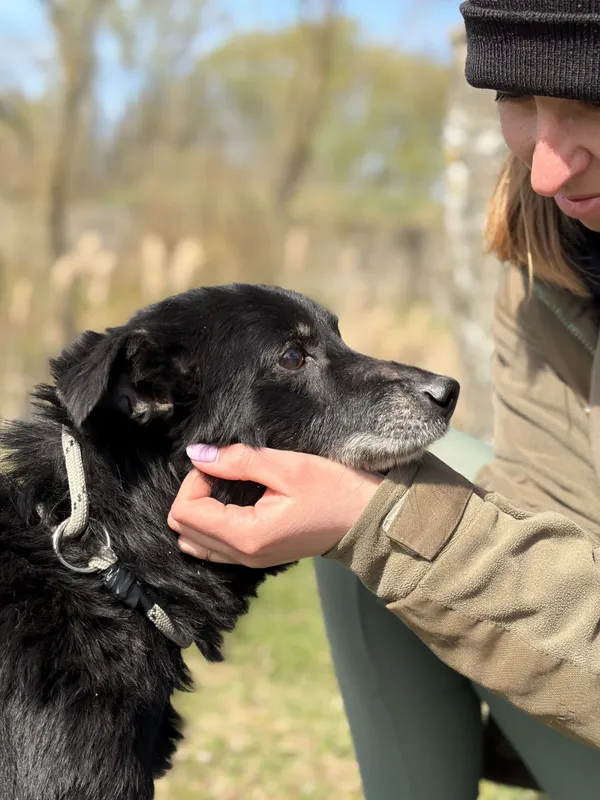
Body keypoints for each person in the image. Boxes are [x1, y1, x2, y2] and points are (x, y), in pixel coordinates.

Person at [167, 1, 600, 796]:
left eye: (591, 105)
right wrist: (371, 517)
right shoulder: (551, 263)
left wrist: (385, 528)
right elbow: (562, 531)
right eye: (516, 100)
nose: (545, 170)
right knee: (385, 477)